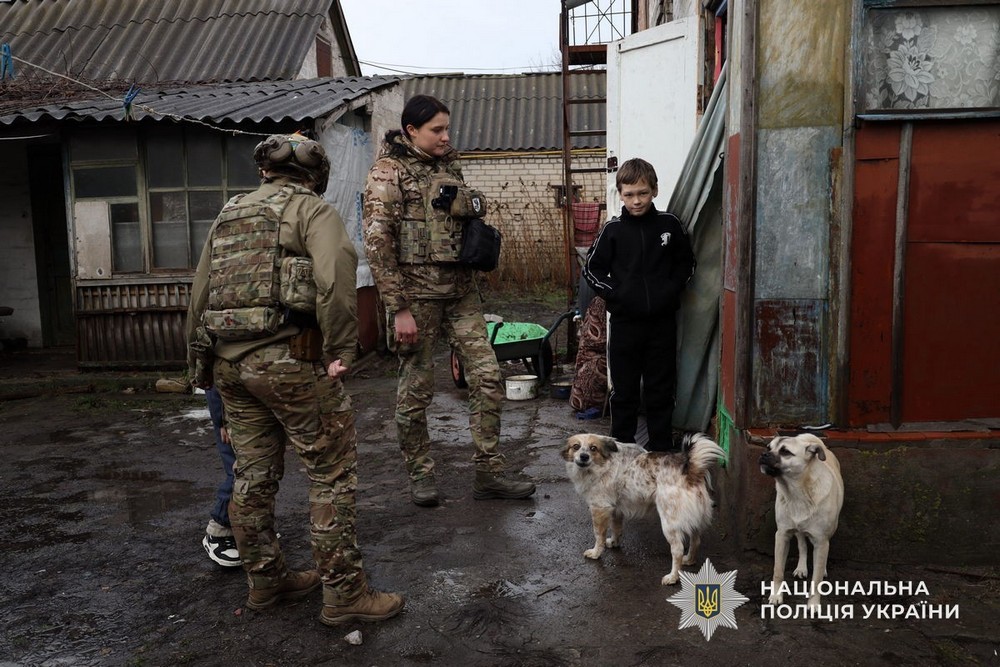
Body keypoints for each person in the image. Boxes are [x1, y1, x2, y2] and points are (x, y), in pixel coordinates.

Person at [186, 133, 404, 626]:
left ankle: (266, 582)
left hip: (229, 368)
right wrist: (342, 349)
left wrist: (202, 371)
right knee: (330, 474)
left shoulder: (229, 214)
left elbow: (200, 291)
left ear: (264, 171)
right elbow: (335, 278)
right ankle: (345, 595)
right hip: (289, 362)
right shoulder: (312, 210)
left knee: (253, 475)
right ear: (315, 176)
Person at [363, 94, 536, 507]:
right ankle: (421, 476)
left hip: (461, 294)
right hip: (416, 300)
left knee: (488, 378)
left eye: (447, 128)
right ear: (411, 131)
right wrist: (398, 307)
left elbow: (471, 211)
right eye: (436, 129)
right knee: (416, 391)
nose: (446, 136)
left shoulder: (448, 165)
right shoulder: (389, 172)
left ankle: (489, 473)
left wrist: (470, 207)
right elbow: (377, 243)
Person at [582, 158, 696, 451]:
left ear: (654, 191)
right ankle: (622, 448)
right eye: (629, 194)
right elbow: (592, 269)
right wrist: (617, 294)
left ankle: (660, 448)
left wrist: (669, 291)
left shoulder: (669, 225)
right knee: (625, 391)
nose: (636, 201)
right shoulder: (613, 230)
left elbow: (687, 264)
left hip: (662, 324)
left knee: (660, 389)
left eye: (642, 193)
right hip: (625, 324)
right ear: (619, 194)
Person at [201, 386, 240, 567]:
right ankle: (220, 529)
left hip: (260, 402)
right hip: (232, 404)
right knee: (240, 470)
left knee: (263, 470)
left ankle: (250, 527)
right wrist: (223, 420)